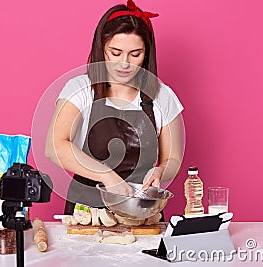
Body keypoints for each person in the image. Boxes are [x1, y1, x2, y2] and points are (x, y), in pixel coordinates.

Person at [45, 0, 184, 215]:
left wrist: (161, 171)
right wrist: (106, 175)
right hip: (86, 211)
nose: (124, 63)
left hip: (141, 210)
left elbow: (172, 159)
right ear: (102, 48)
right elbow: (55, 146)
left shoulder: (162, 95)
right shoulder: (81, 89)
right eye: (115, 53)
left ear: (146, 53)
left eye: (135, 54)